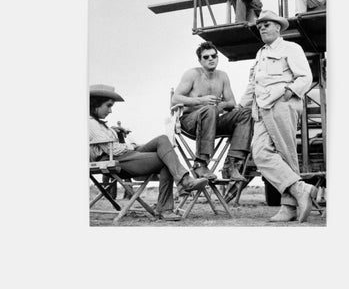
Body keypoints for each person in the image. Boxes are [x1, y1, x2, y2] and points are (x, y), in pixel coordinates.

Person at [238, 10, 317, 223]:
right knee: (260, 152)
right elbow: (253, 83)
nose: (261, 27)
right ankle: (300, 189)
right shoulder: (260, 53)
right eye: (260, 25)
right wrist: (240, 105)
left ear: (278, 28)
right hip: (261, 108)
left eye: (266, 24)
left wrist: (289, 92)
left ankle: (288, 206)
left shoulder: (291, 48)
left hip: (282, 104)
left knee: (286, 154)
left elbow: (305, 77)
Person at [89, 84, 208, 221]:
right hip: (115, 159)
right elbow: (113, 150)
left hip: (124, 155)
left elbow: (112, 145)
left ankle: (183, 182)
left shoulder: (100, 124)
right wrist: (133, 146)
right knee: (166, 160)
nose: (110, 111)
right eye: (108, 105)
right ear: (95, 104)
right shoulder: (91, 123)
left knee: (162, 140)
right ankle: (171, 200)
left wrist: (116, 132)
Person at [172, 41, 253, 182]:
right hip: (190, 121)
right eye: (206, 57)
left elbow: (231, 102)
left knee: (246, 113)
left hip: (213, 120)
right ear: (200, 60)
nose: (211, 59)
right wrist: (201, 101)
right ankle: (200, 163)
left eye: (214, 56)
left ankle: (232, 165)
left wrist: (221, 106)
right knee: (209, 109)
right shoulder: (192, 74)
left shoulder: (222, 76)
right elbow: (175, 98)